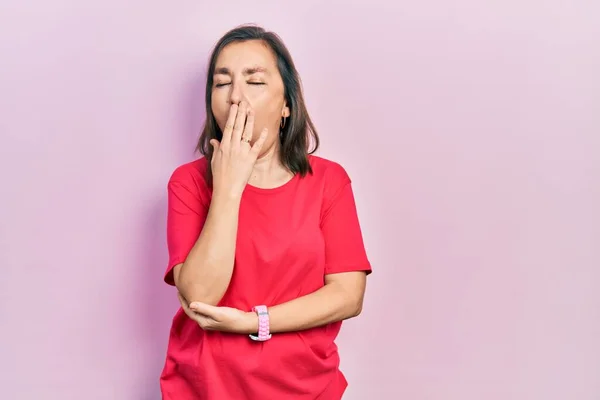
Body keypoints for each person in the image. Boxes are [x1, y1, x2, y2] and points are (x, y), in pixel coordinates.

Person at [160, 24, 372, 400]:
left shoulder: (329, 181)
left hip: (307, 389)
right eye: (222, 83)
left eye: (254, 82)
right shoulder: (188, 183)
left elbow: (347, 295)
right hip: (205, 390)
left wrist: (252, 322)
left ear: (286, 104)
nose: (236, 98)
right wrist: (228, 186)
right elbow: (200, 296)